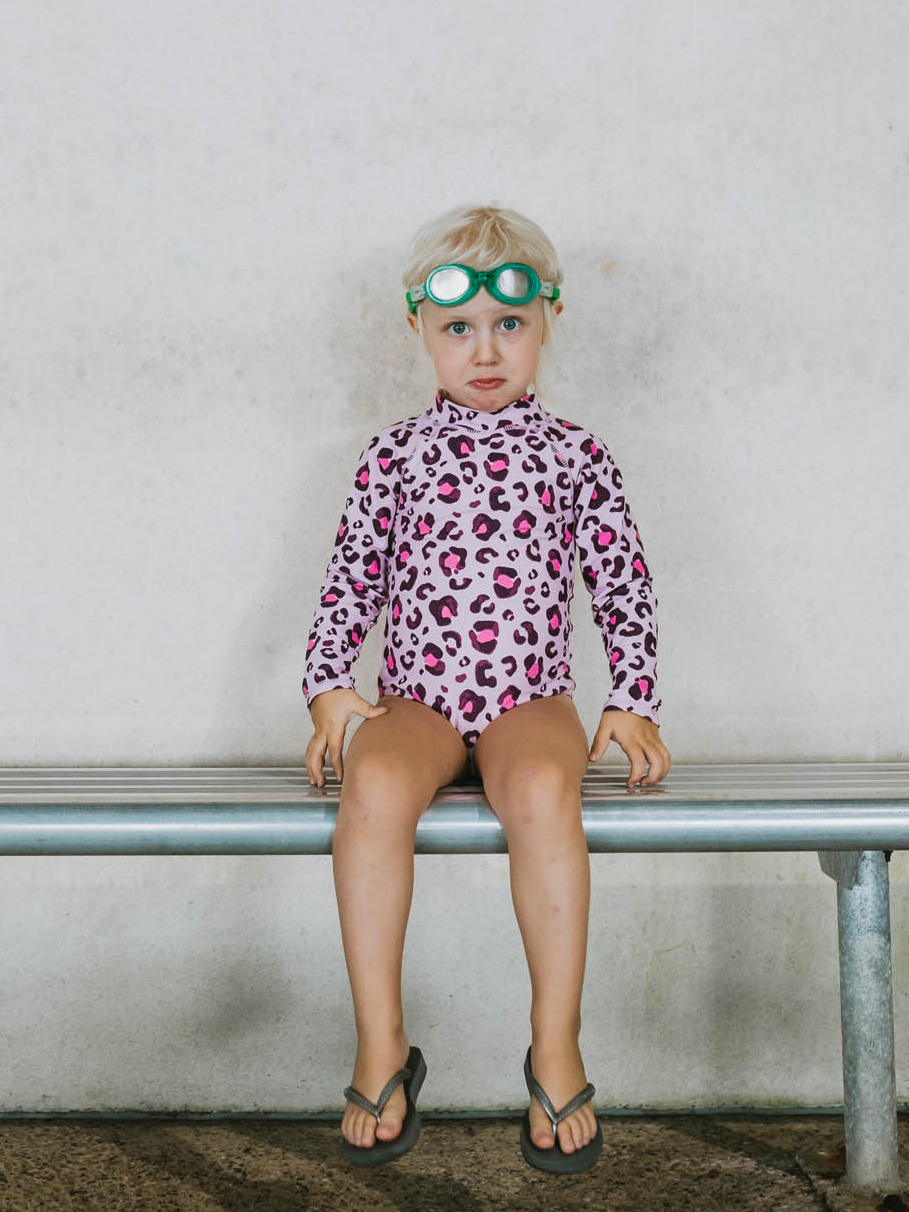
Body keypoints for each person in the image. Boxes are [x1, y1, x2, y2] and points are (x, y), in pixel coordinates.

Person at [300, 205, 671, 1175]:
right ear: (417, 330)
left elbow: (620, 583)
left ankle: (554, 1042)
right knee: (371, 787)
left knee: (546, 794)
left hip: (526, 700)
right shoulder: (392, 457)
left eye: (507, 324)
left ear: (545, 319)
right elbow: (350, 580)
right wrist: (327, 688)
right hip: (415, 699)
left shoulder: (575, 456)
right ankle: (380, 1038)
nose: (483, 350)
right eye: (456, 328)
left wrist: (630, 696)